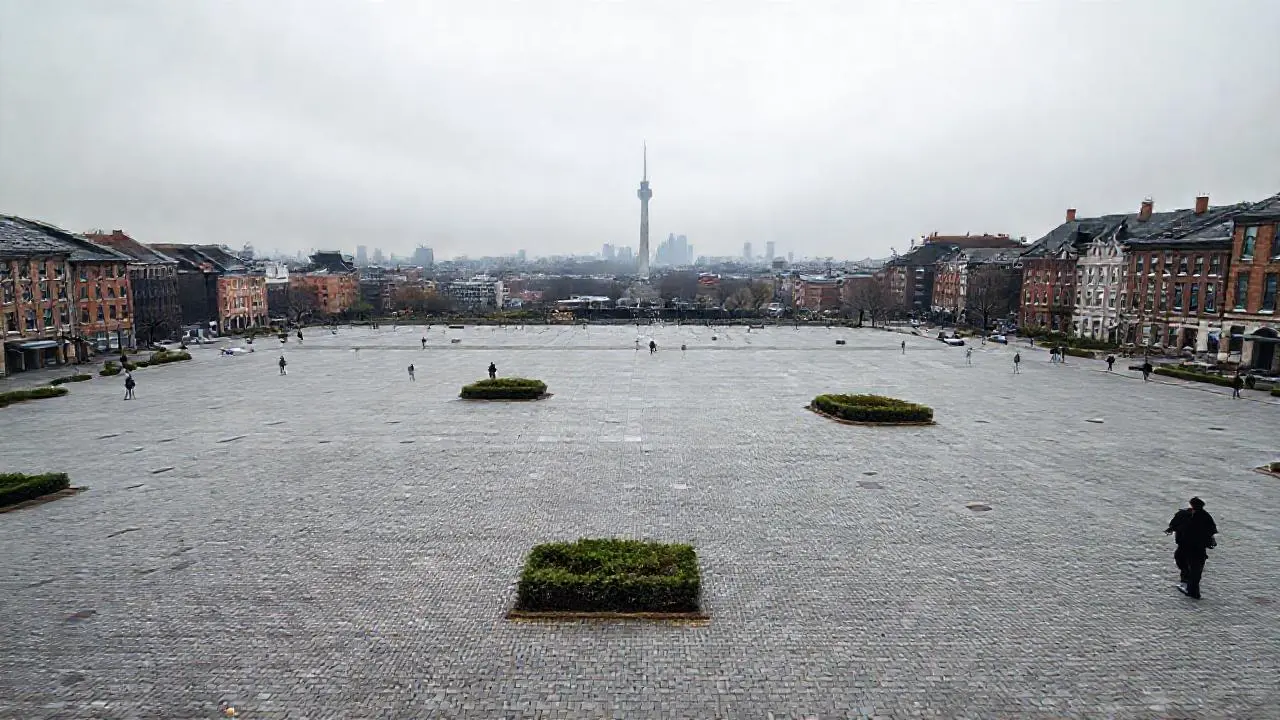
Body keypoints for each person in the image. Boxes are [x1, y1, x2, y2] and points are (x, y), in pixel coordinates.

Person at [1165, 497, 1218, 599]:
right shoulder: (1199, 515)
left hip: (1192, 546)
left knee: (1191, 566)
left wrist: (1171, 529)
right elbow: (1211, 531)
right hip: (1192, 546)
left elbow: (1211, 531)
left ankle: (1192, 589)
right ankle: (1189, 585)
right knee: (1188, 564)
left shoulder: (1194, 515)